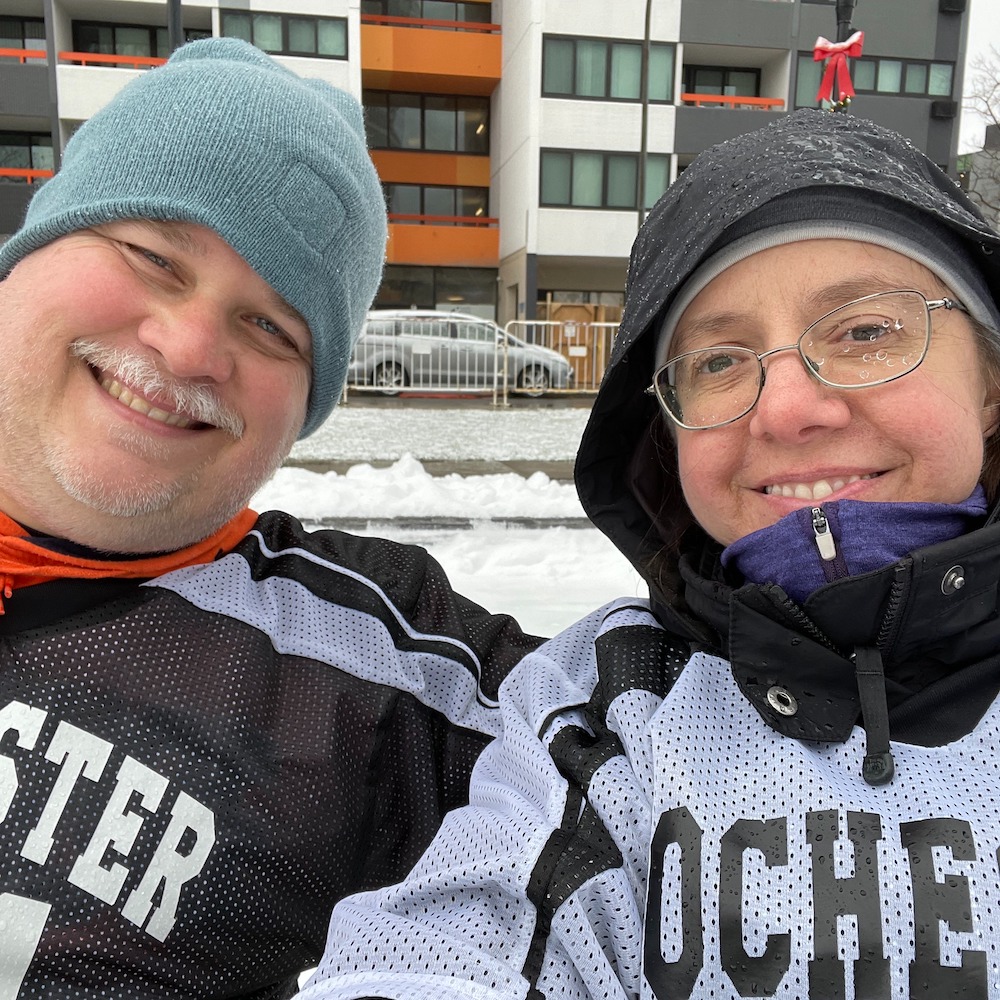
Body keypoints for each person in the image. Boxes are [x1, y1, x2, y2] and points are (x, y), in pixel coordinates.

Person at [300, 108, 1000, 1000]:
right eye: (718, 361)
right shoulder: (606, 702)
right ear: (664, 437)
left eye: (864, 332)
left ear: (989, 385)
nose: (785, 409)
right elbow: (451, 950)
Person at [0, 37, 540, 998]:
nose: (191, 344)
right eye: (152, 256)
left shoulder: (378, 675)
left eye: (271, 328)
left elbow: (709, 749)